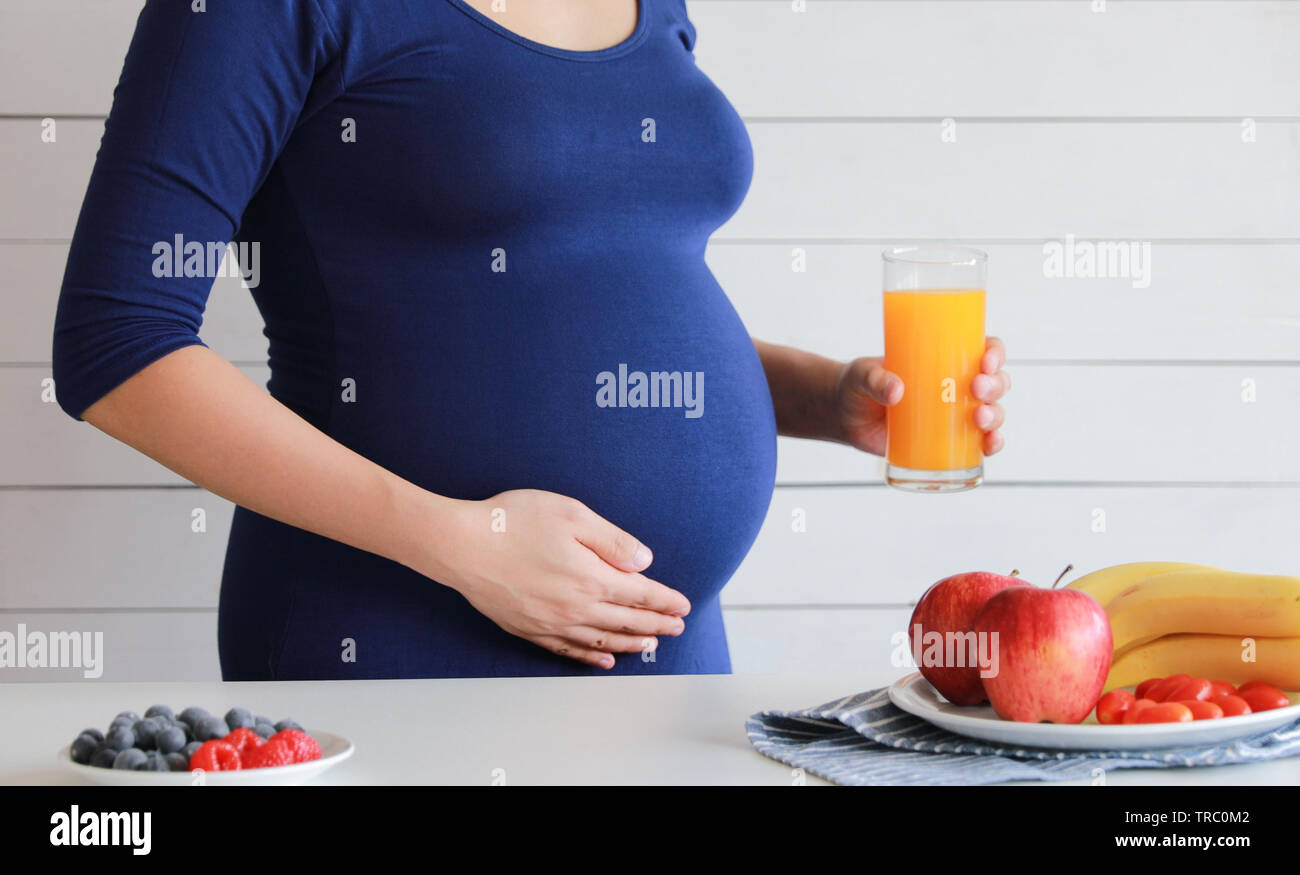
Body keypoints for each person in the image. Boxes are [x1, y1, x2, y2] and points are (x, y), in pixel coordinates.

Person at [51, 0, 1009, 679]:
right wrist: (467, 542)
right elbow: (116, 343)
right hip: (392, 637)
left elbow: (585, 292)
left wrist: (827, 396)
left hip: (671, 654)